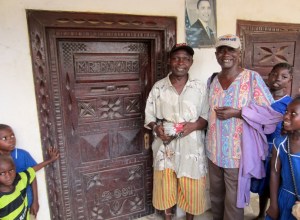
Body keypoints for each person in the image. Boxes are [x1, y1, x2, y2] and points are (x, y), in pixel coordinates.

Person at [205, 34, 274, 220]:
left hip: (237, 155)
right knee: (216, 198)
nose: (225, 54)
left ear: (239, 53)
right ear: (216, 54)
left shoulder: (252, 79)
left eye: (231, 49)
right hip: (213, 151)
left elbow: (270, 113)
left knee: (234, 202)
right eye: (221, 49)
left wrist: (238, 113)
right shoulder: (211, 80)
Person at [144, 43, 209, 220]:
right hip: (165, 145)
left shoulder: (200, 88)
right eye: (176, 58)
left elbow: (206, 116)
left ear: (191, 62)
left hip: (191, 146)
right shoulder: (159, 87)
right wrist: (155, 127)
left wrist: (194, 126)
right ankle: (168, 218)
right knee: (165, 183)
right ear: (169, 61)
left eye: (186, 59)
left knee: (192, 186)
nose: (181, 62)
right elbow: (149, 114)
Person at [252, 63, 293, 219]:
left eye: (284, 77)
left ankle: (278, 213)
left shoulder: (290, 103)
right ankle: (261, 213)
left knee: (277, 184)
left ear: (290, 80)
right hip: (258, 148)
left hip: (278, 151)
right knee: (263, 185)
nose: (278, 79)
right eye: (274, 74)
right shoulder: (260, 98)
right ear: (268, 76)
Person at [0, 147, 59, 220]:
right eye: (2, 173)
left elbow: (33, 170)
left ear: (15, 169)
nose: (8, 176)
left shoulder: (19, 180)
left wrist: (50, 160)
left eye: (11, 170)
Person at [266, 96, 300, 220]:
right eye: (286, 112)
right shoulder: (280, 143)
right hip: (284, 199)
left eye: (293, 114)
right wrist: (274, 205)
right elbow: (274, 174)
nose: (285, 116)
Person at [0, 124, 41, 217]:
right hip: (7, 211)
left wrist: (35, 201)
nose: (11, 140)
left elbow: (31, 175)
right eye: (4, 138)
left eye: (12, 136)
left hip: (27, 205)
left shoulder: (22, 154)